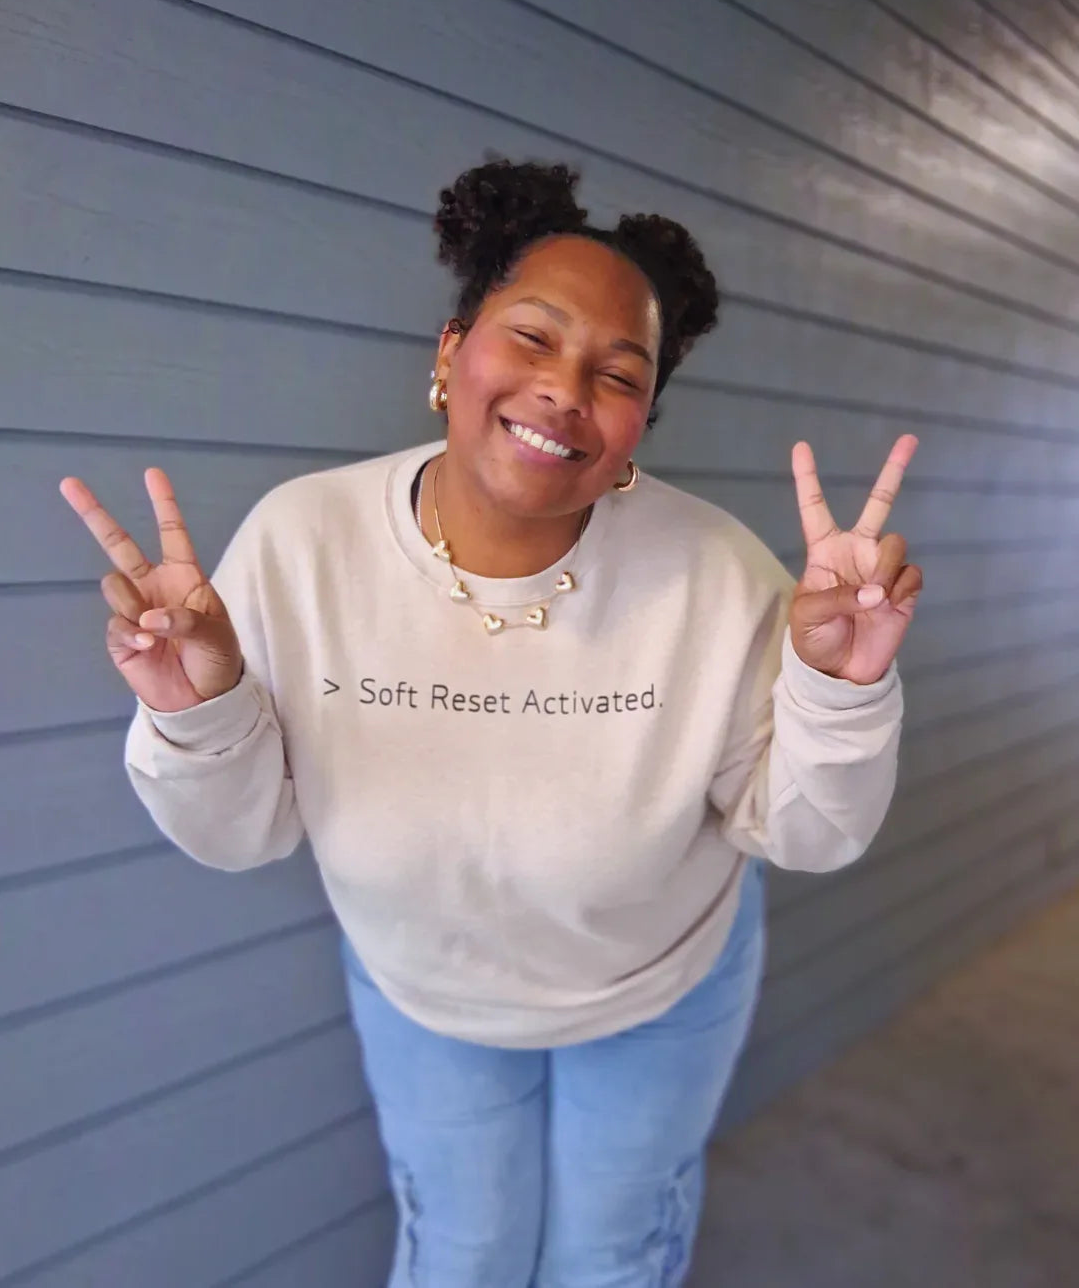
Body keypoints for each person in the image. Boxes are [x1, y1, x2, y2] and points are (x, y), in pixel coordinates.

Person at [61, 159, 922, 1288]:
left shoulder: (721, 578)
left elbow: (811, 834)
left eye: (618, 372)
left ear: (638, 428)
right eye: (531, 336)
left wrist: (841, 691)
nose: (565, 387)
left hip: (658, 986)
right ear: (449, 350)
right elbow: (241, 836)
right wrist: (194, 707)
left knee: (607, 1258)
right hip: (427, 987)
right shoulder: (302, 541)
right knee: (462, 1258)